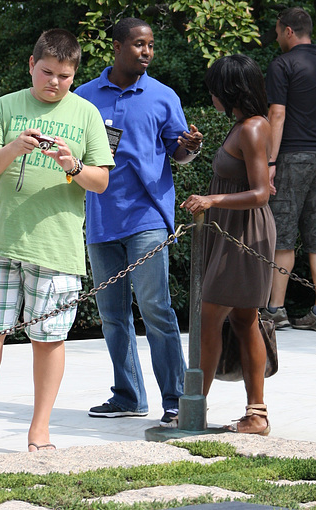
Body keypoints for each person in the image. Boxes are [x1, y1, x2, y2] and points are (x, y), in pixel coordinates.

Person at [0, 29, 114, 457]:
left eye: (65, 76)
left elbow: (101, 181)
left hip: (56, 246)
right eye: (47, 72)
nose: (55, 82)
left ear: (74, 73)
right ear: (31, 65)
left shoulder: (87, 114)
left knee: (49, 338)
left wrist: (73, 164)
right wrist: (14, 146)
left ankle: (40, 433)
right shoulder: (5, 106)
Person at [75, 18, 203, 428]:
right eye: (138, 45)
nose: (146, 52)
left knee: (156, 309)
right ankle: (127, 396)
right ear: (116, 47)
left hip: (148, 216)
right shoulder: (83, 96)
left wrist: (190, 149)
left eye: (150, 45)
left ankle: (177, 400)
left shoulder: (164, 96)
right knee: (113, 315)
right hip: (100, 217)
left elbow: (178, 155)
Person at [181, 55, 276, 435]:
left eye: (214, 89)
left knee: (212, 319)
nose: (211, 96)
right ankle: (256, 414)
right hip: (232, 231)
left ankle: (195, 410)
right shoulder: (243, 126)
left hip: (244, 233)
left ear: (230, 90)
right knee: (241, 319)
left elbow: (260, 192)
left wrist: (212, 200)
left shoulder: (253, 128)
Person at [262, 6, 316, 331]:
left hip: (291, 156)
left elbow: (277, 115)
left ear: (287, 31)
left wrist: (270, 161)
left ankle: (275, 309)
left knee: (282, 234)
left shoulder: (282, 65)